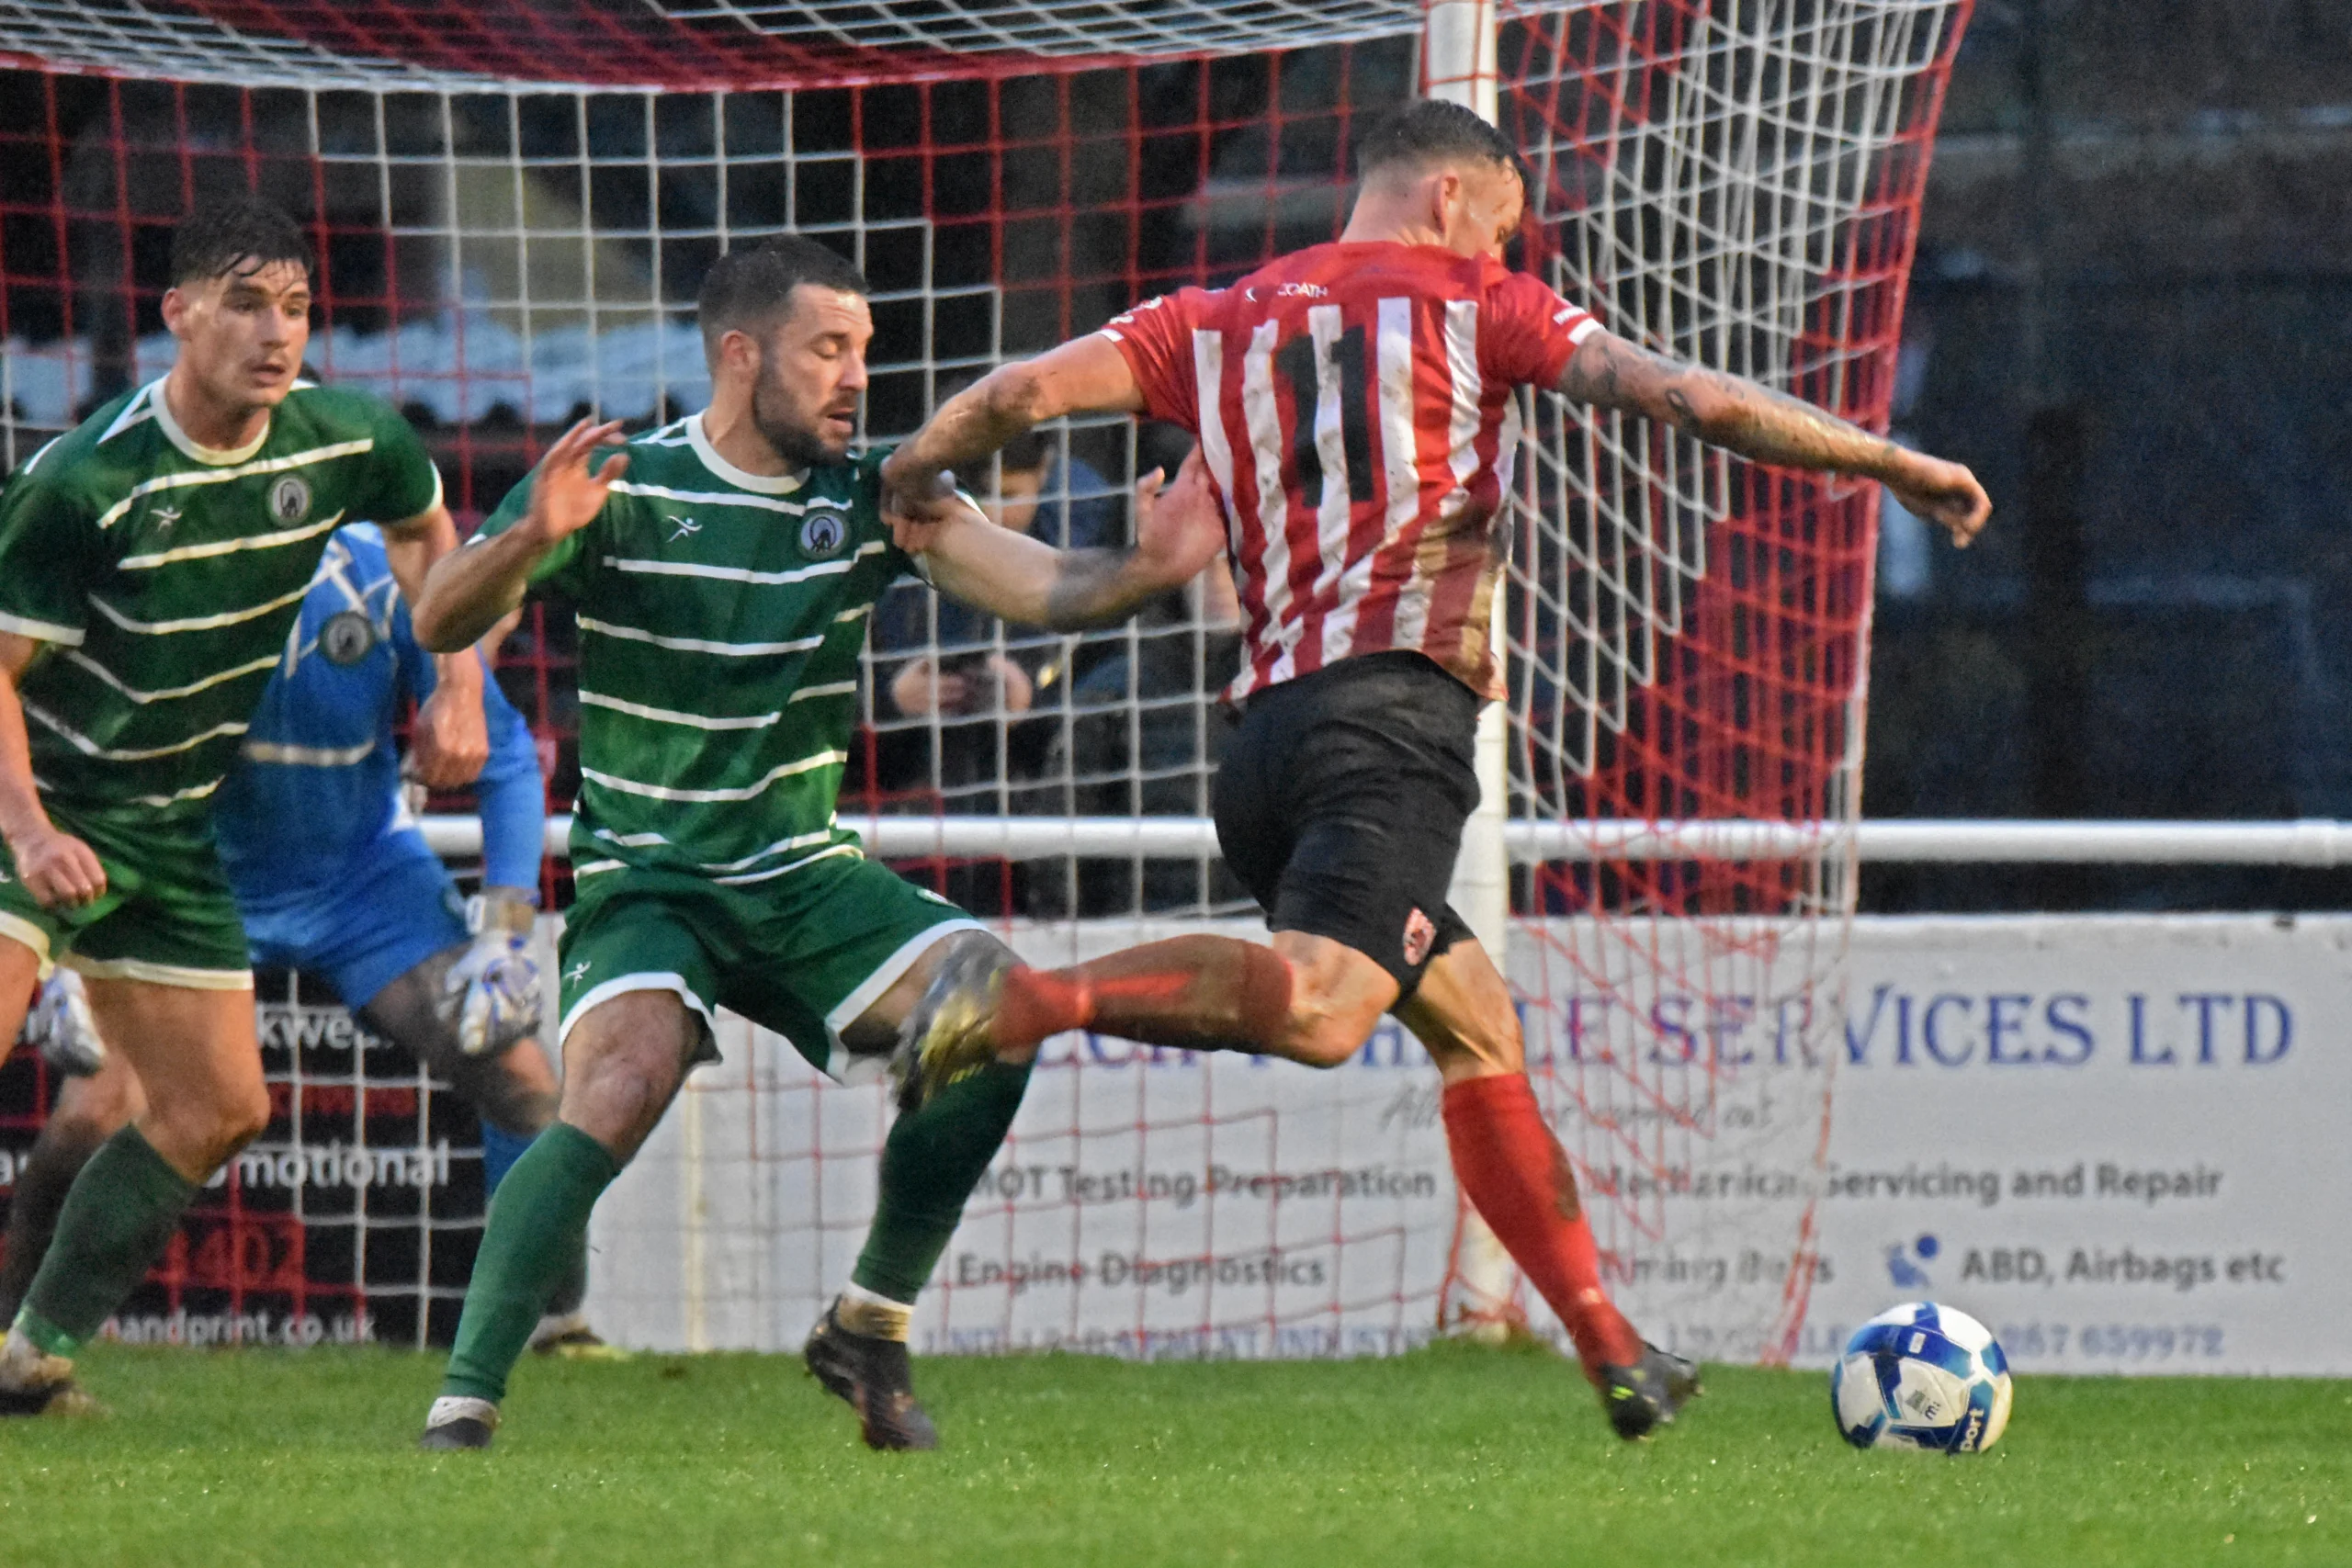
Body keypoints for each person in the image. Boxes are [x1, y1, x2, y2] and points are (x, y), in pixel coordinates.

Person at [880, 98, 1993, 1439]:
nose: (1512, 248)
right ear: (1460, 201)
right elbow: (1690, 398)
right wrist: (1892, 461)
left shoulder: (1209, 318)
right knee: (1328, 1009)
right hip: (1390, 727)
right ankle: (1024, 995)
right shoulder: (1480, 300)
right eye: (1510, 225)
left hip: (1268, 745)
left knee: (1473, 1019)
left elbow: (1012, 398)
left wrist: (921, 462)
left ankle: (1613, 1350)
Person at [405, 234, 1221, 1451]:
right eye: (828, 349)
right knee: (618, 1087)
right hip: (651, 879)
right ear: (742, 356)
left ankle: (868, 1324)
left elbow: (1043, 588)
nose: (856, 376)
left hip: (802, 872)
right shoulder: (621, 482)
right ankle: (462, 1404)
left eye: (865, 351)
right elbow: (439, 614)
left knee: (997, 1001)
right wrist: (528, 537)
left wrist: (1147, 567)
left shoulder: (874, 494)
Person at [0, 194, 482, 1415]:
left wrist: (454, 678)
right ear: (178, 314)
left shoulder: (346, 437)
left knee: (220, 1105)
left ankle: (22, 1356)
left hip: (163, 825)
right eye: (249, 304)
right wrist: (31, 831)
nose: (280, 334)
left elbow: (432, 532)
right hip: (37, 801)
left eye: (300, 308)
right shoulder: (84, 480)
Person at [1, 522, 615, 1356]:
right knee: (95, 1110)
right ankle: (17, 1334)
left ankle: (555, 1323)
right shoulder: (157, 574)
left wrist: (504, 929)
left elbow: (504, 753)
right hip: (187, 876)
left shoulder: (382, 575)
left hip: (360, 879)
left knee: (524, 1077)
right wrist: (69, 946)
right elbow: (74, 753)